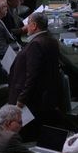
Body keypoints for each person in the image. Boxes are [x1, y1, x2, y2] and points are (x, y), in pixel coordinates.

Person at [8, 12, 68, 140]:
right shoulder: (51, 40)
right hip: (44, 99)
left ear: (34, 26)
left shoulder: (36, 44)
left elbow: (32, 76)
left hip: (32, 102)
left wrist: (21, 100)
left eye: (28, 24)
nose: (26, 27)